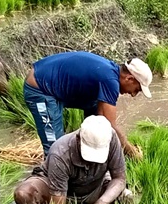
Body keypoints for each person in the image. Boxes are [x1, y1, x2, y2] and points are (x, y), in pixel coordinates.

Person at [23, 51, 152, 158]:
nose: (133, 94)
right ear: (129, 78)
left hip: (54, 84)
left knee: (97, 118)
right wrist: (132, 152)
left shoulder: (109, 73)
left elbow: (101, 121)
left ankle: (83, 156)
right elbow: (111, 128)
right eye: (136, 89)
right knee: (55, 149)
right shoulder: (110, 81)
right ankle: (51, 176)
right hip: (40, 87)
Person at [13, 115, 128, 204]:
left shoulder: (110, 137)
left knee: (127, 196)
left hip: (95, 187)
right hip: (60, 192)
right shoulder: (60, 152)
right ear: (78, 138)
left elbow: (119, 179)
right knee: (24, 194)